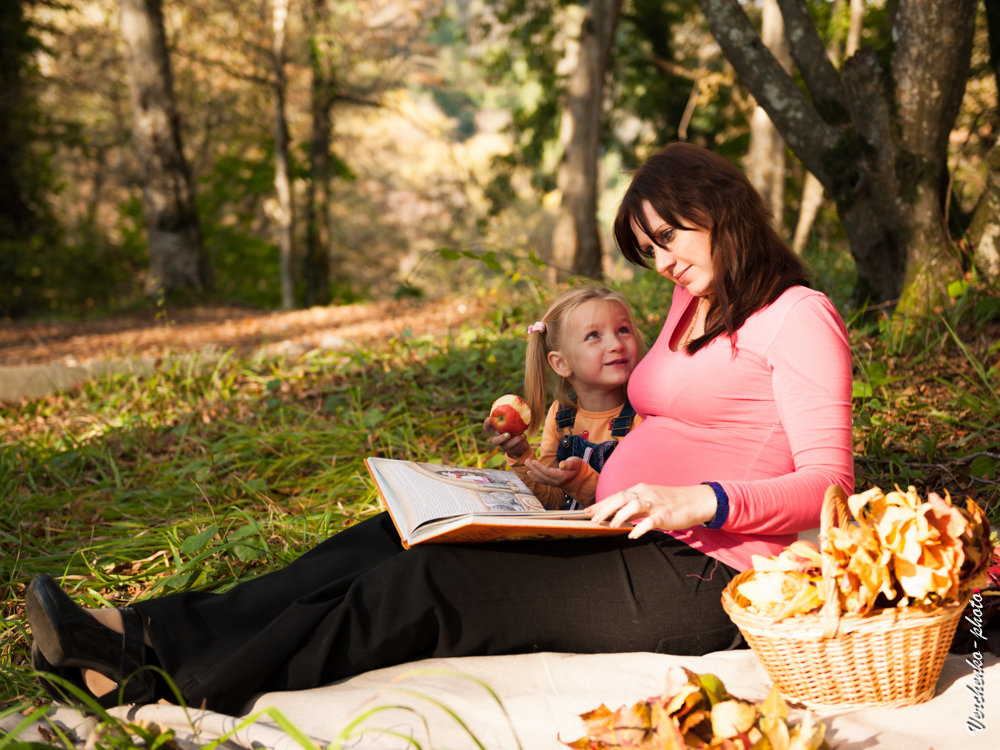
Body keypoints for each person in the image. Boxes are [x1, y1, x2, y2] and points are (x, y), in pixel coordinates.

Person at [25, 141, 854, 716]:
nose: (662, 262)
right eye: (648, 251)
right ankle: (134, 635)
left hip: (707, 575)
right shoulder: (693, 299)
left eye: (668, 239)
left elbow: (830, 490)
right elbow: (671, 414)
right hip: (609, 521)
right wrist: (593, 476)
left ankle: (169, 688)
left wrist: (697, 500)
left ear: (722, 211)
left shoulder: (799, 318)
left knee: (424, 587)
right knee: (384, 540)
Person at [484, 286, 645, 510]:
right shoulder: (561, 415)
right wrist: (520, 455)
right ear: (561, 363)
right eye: (594, 336)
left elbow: (636, 505)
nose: (616, 345)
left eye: (623, 330)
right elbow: (554, 501)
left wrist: (577, 480)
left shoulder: (643, 416)